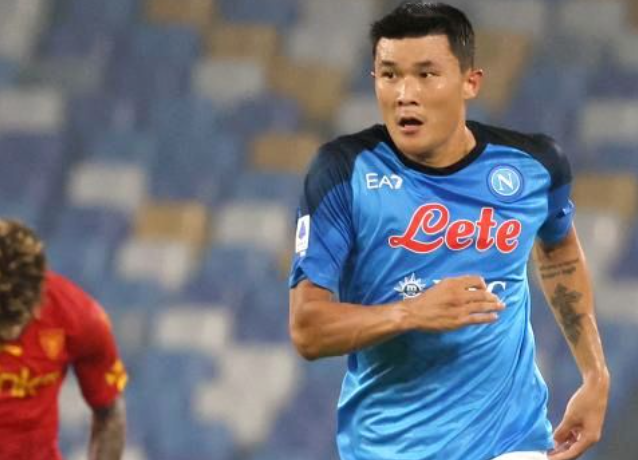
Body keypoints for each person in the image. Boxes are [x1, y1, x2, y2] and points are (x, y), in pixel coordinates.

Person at [288, 2, 609, 460]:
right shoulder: (344, 171)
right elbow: (308, 329)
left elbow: (558, 251)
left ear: (470, 82)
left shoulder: (534, 166)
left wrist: (595, 374)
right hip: (387, 448)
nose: (405, 94)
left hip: (512, 443)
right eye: (389, 75)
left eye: (426, 74)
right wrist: (412, 312)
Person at [0, 219, 127, 460]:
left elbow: (109, 412)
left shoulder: (79, 317)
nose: (8, 334)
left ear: (40, 294)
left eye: (17, 322)